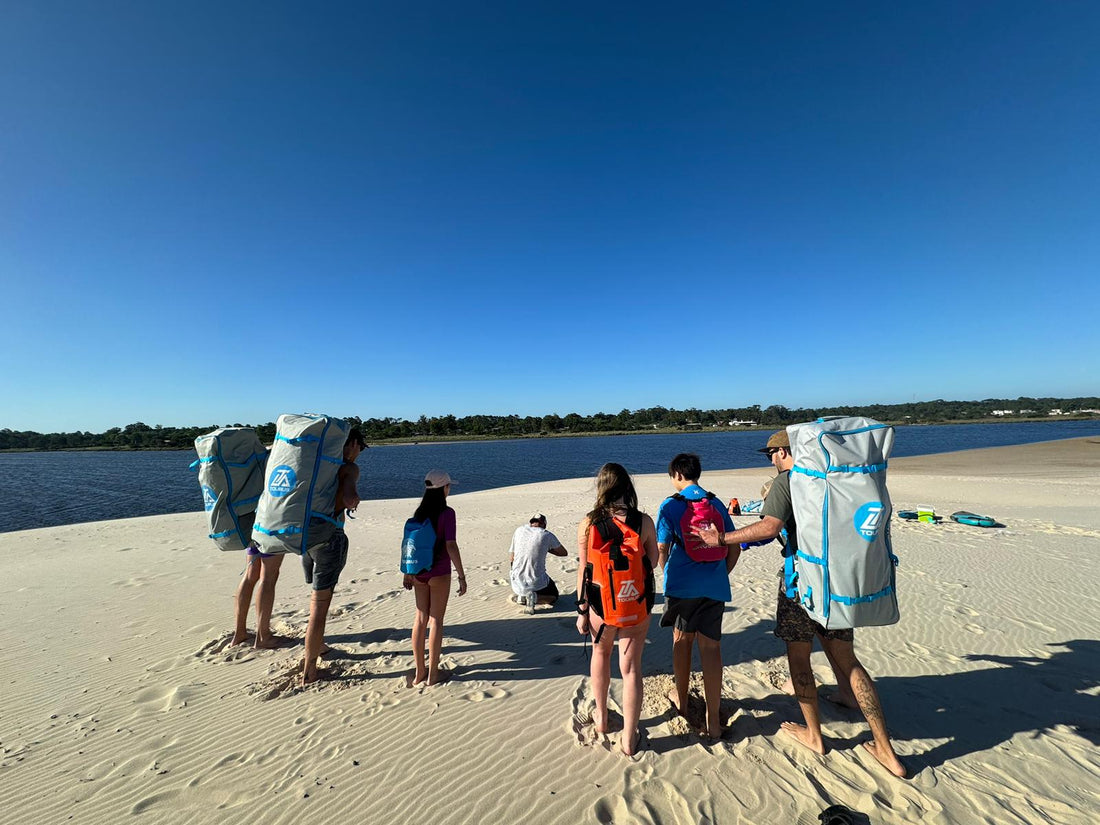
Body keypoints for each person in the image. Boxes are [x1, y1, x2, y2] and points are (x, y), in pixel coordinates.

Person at [695, 431, 907, 777]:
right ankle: (884, 747)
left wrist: (719, 538)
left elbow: (769, 527)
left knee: (798, 658)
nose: (771, 460)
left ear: (782, 452)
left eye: (771, 454)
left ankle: (814, 735)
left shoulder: (787, 481)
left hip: (801, 585)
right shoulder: (832, 480)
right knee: (847, 659)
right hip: (837, 581)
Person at [575, 463, 659, 757]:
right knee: (632, 669)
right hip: (636, 604)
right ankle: (629, 736)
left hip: (600, 605)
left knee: (601, 654)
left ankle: (601, 718)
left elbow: (584, 570)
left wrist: (581, 609)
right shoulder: (644, 522)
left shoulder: (589, 523)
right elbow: (654, 561)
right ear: (628, 487)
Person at [656, 453, 739, 739]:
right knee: (712, 649)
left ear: (678, 475)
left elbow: (661, 549)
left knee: (682, 641)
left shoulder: (670, 506)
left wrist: (669, 573)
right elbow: (734, 547)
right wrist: (719, 575)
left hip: (682, 586)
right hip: (714, 585)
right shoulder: (715, 503)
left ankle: (681, 702)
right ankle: (713, 719)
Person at [301, 427, 367, 685]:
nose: (359, 452)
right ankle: (310, 670)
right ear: (351, 444)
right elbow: (350, 498)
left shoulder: (318, 467)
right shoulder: (348, 468)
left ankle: (319, 644)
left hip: (307, 538)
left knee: (315, 599)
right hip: (330, 538)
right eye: (360, 446)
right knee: (320, 605)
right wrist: (353, 500)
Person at [403, 469, 467, 686]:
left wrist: (407, 572)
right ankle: (433, 674)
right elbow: (451, 545)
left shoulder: (418, 513)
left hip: (418, 572)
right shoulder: (447, 513)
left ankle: (420, 671)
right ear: (444, 488)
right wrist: (461, 575)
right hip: (439, 572)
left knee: (420, 619)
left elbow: (410, 545)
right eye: (449, 486)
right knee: (436, 621)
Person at [509, 513, 567, 613]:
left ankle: (521, 596)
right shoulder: (546, 534)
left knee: (527, 578)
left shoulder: (519, 530)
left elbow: (512, 557)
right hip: (535, 582)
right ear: (544, 524)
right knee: (554, 596)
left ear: (531, 523)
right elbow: (563, 553)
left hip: (515, 580)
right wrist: (547, 548)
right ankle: (534, 598)